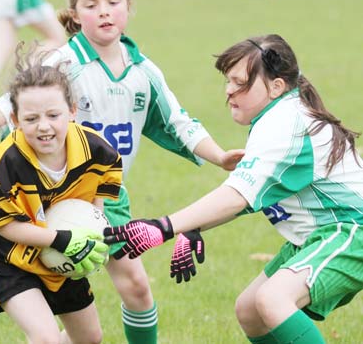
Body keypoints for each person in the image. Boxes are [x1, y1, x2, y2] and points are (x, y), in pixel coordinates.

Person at [0, 0, 243, 344]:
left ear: (128, 7)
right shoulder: (63, 62)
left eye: (112, 1)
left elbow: (179, 121)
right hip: (47, 191)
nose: (104, 11)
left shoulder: (145, 71)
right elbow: (14, 101)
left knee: (135, 286)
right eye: (91, 4)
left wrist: (219, 155)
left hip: (104, 193)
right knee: (16, 259)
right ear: (74, 14)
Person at [103, 34, 363, 344]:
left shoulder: (284, 123)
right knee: (250, 311)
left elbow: (237, 196)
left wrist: (164, 227)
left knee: (272, 300)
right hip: (320, 233)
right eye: (228, 81)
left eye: (240, 82)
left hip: (350, 230)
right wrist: (192, 228)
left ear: (276, 87)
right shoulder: (279, 115)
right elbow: (247, 198)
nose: (228, 91)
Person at [0, 41, 121, 343]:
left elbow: (94, 206)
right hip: (1, 251)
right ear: (14, 121)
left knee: (89, 338)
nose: (44, 127)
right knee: (46, 337)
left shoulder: (99, 152)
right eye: (31, 119)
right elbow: (7, 227)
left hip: (56, 248)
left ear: (72, 111)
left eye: (53, 115)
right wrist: (62, 239)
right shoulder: (7, 161)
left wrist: (91, 237)